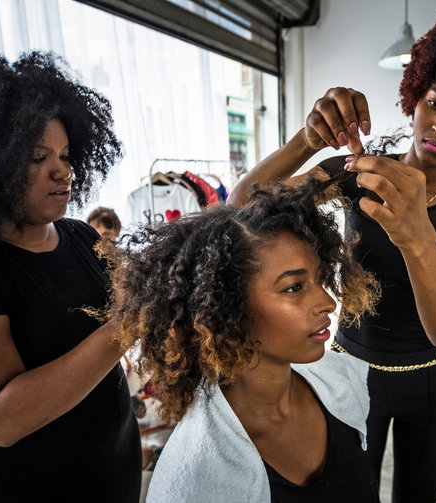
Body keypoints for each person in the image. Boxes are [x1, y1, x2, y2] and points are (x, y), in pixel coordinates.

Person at [228, 3, 436, 500]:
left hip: (432, 383)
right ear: (416, 95)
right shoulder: (358, 173)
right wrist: (307, 140)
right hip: (345, 371)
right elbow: (243, 205)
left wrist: (415, 229)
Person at [0, 42, 141, 501]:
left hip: (112, 476)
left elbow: (149, 286)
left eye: (66, 156)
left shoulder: (83, 239)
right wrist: (128, 326)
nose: (61, 172)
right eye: (37, 158)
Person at [102, 178, 381, 502]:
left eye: (319, 278)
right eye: (293, 287)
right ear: (226, 310)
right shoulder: (198, 475)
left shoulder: (340, 385)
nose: (328, 303)